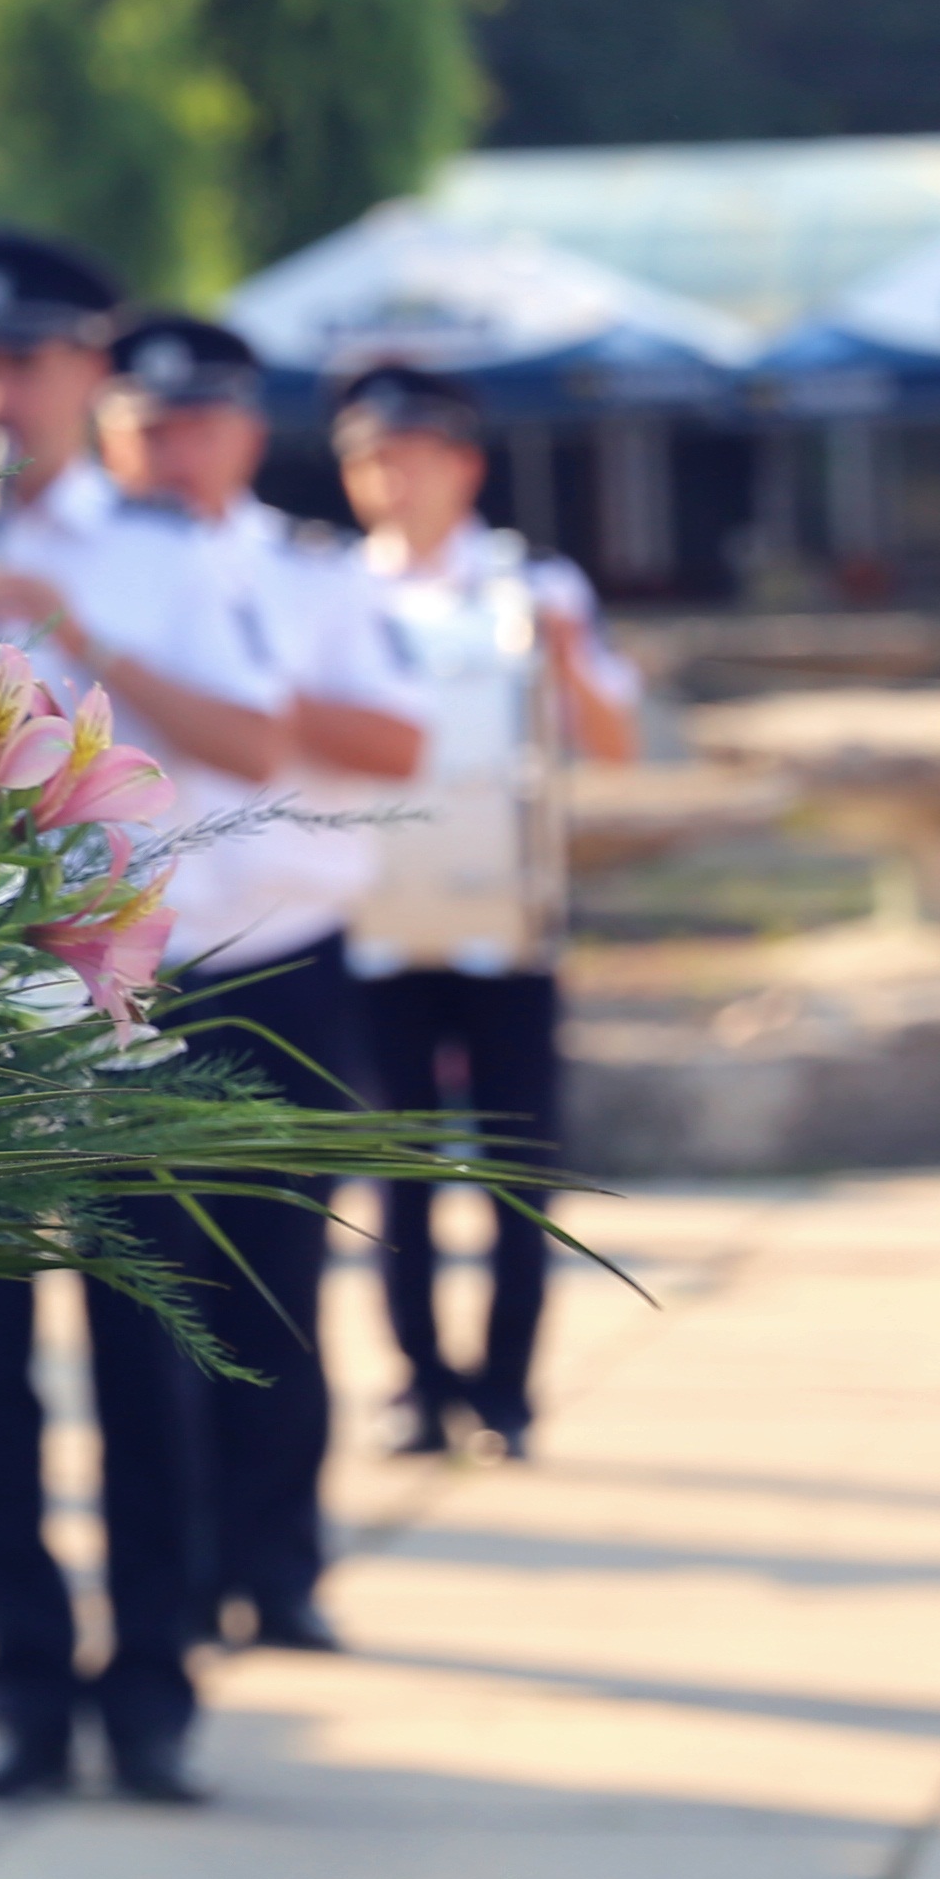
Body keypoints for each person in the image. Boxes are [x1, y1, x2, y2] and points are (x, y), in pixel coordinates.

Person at [0, 240, 297, 1804]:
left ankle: (150, 1693)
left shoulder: (162, 548)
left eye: (27, 362)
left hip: (129, 992)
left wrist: (81, 633)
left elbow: (255, 743)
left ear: (88, 367)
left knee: (147, 1354)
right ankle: (22, 1686)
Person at [67, 311, 420, 1657]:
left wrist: (248, 694)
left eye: (200, 424)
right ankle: (172, 1583)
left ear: (249, 432)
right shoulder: (79, 566)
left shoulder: (309, 569)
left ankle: (277, 1565)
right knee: (144, 1295)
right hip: (124, 975)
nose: (176, 450)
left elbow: (395, 741)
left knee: (277, 1279)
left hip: (284, 960)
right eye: (149, 426)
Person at [311, 361, 639, 1460]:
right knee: (399, 1174)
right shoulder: (331, 587)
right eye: (370, 460)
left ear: (464, 466)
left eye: (410, 456)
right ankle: (417, 1381)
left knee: (518, 1171)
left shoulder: (533, 586)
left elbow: (616, 740)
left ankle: (508, 1390)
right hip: (378, 926)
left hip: (509, 929)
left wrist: (564, 656)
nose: (391, 479)